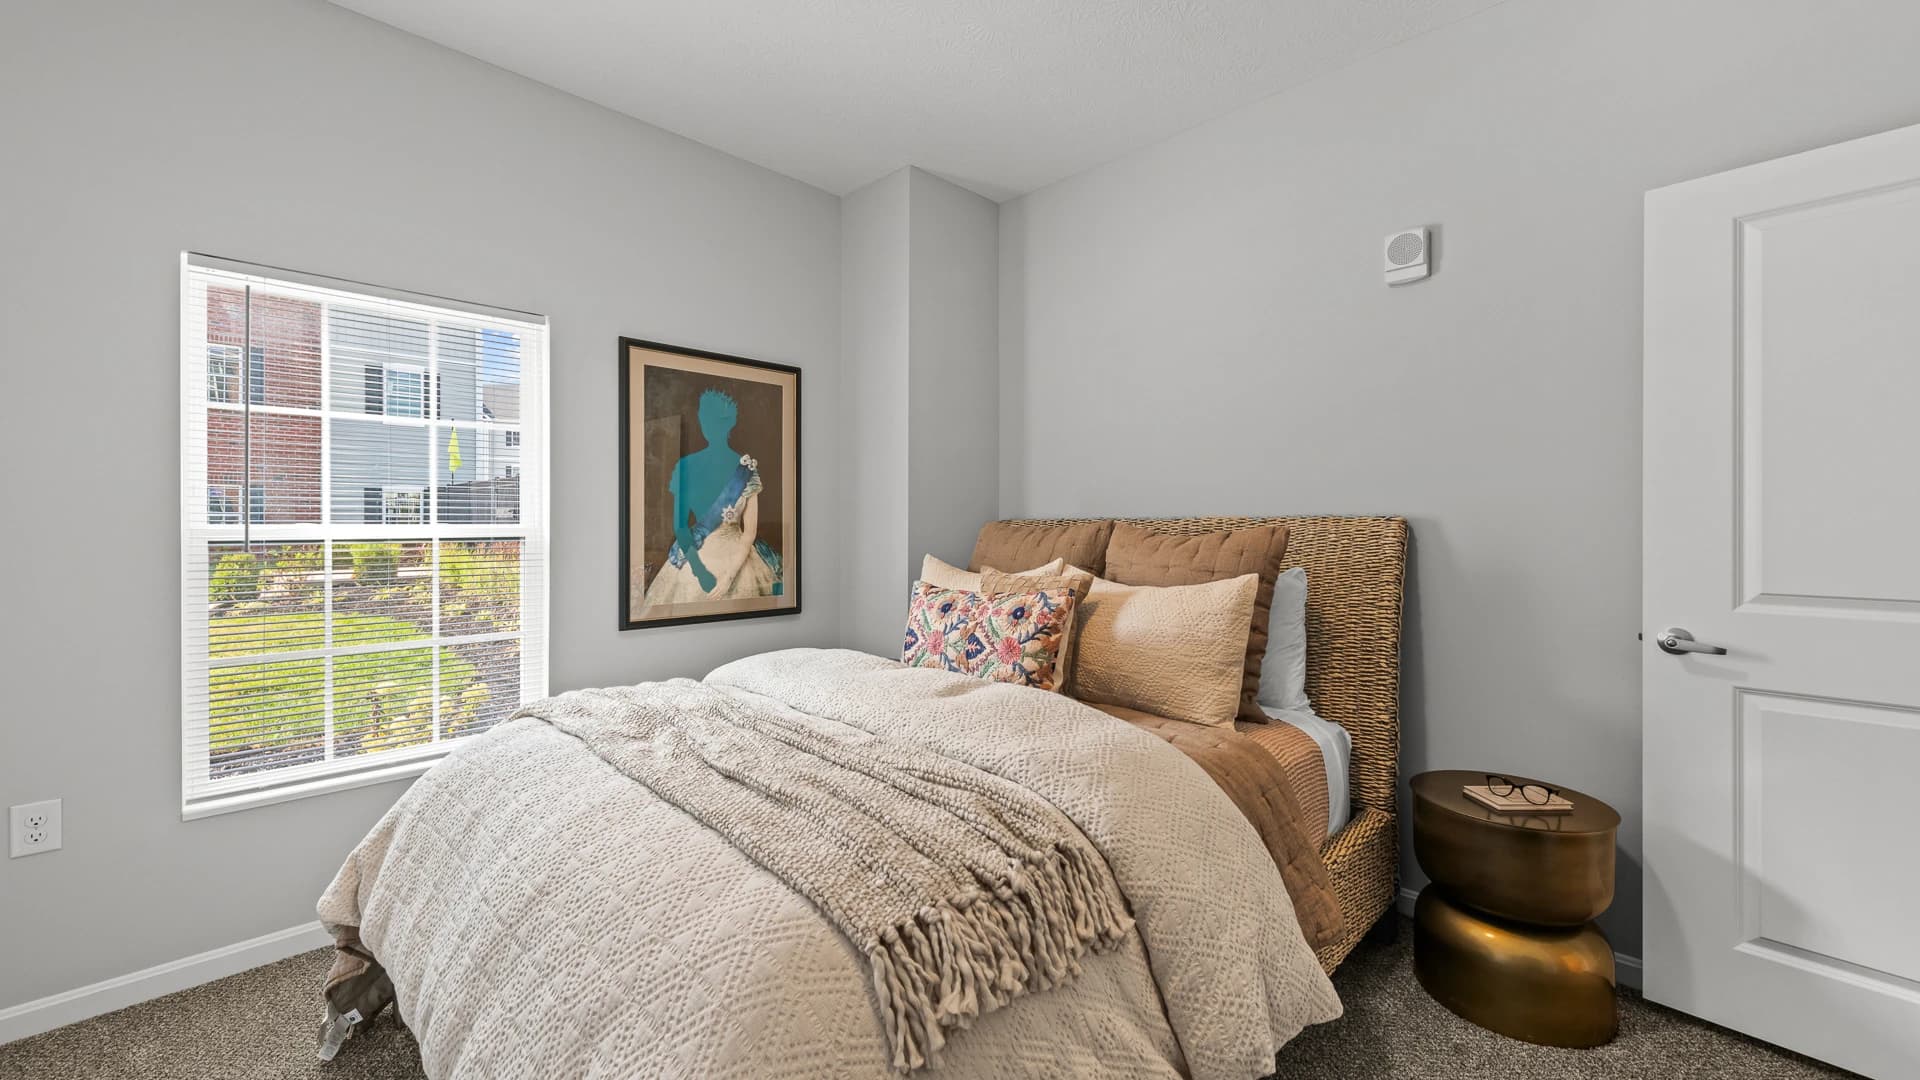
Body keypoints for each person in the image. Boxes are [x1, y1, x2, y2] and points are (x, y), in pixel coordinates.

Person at [641, 388, 782, 607]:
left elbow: (749, 533)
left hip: (738, 558)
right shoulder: (686, 467)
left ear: (730, 422)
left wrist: (728, 577)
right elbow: (680, 527)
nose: (710, 425)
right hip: (696, 557)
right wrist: (700, 572)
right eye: (705, 417)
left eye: (718, 419)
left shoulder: (746, 470)